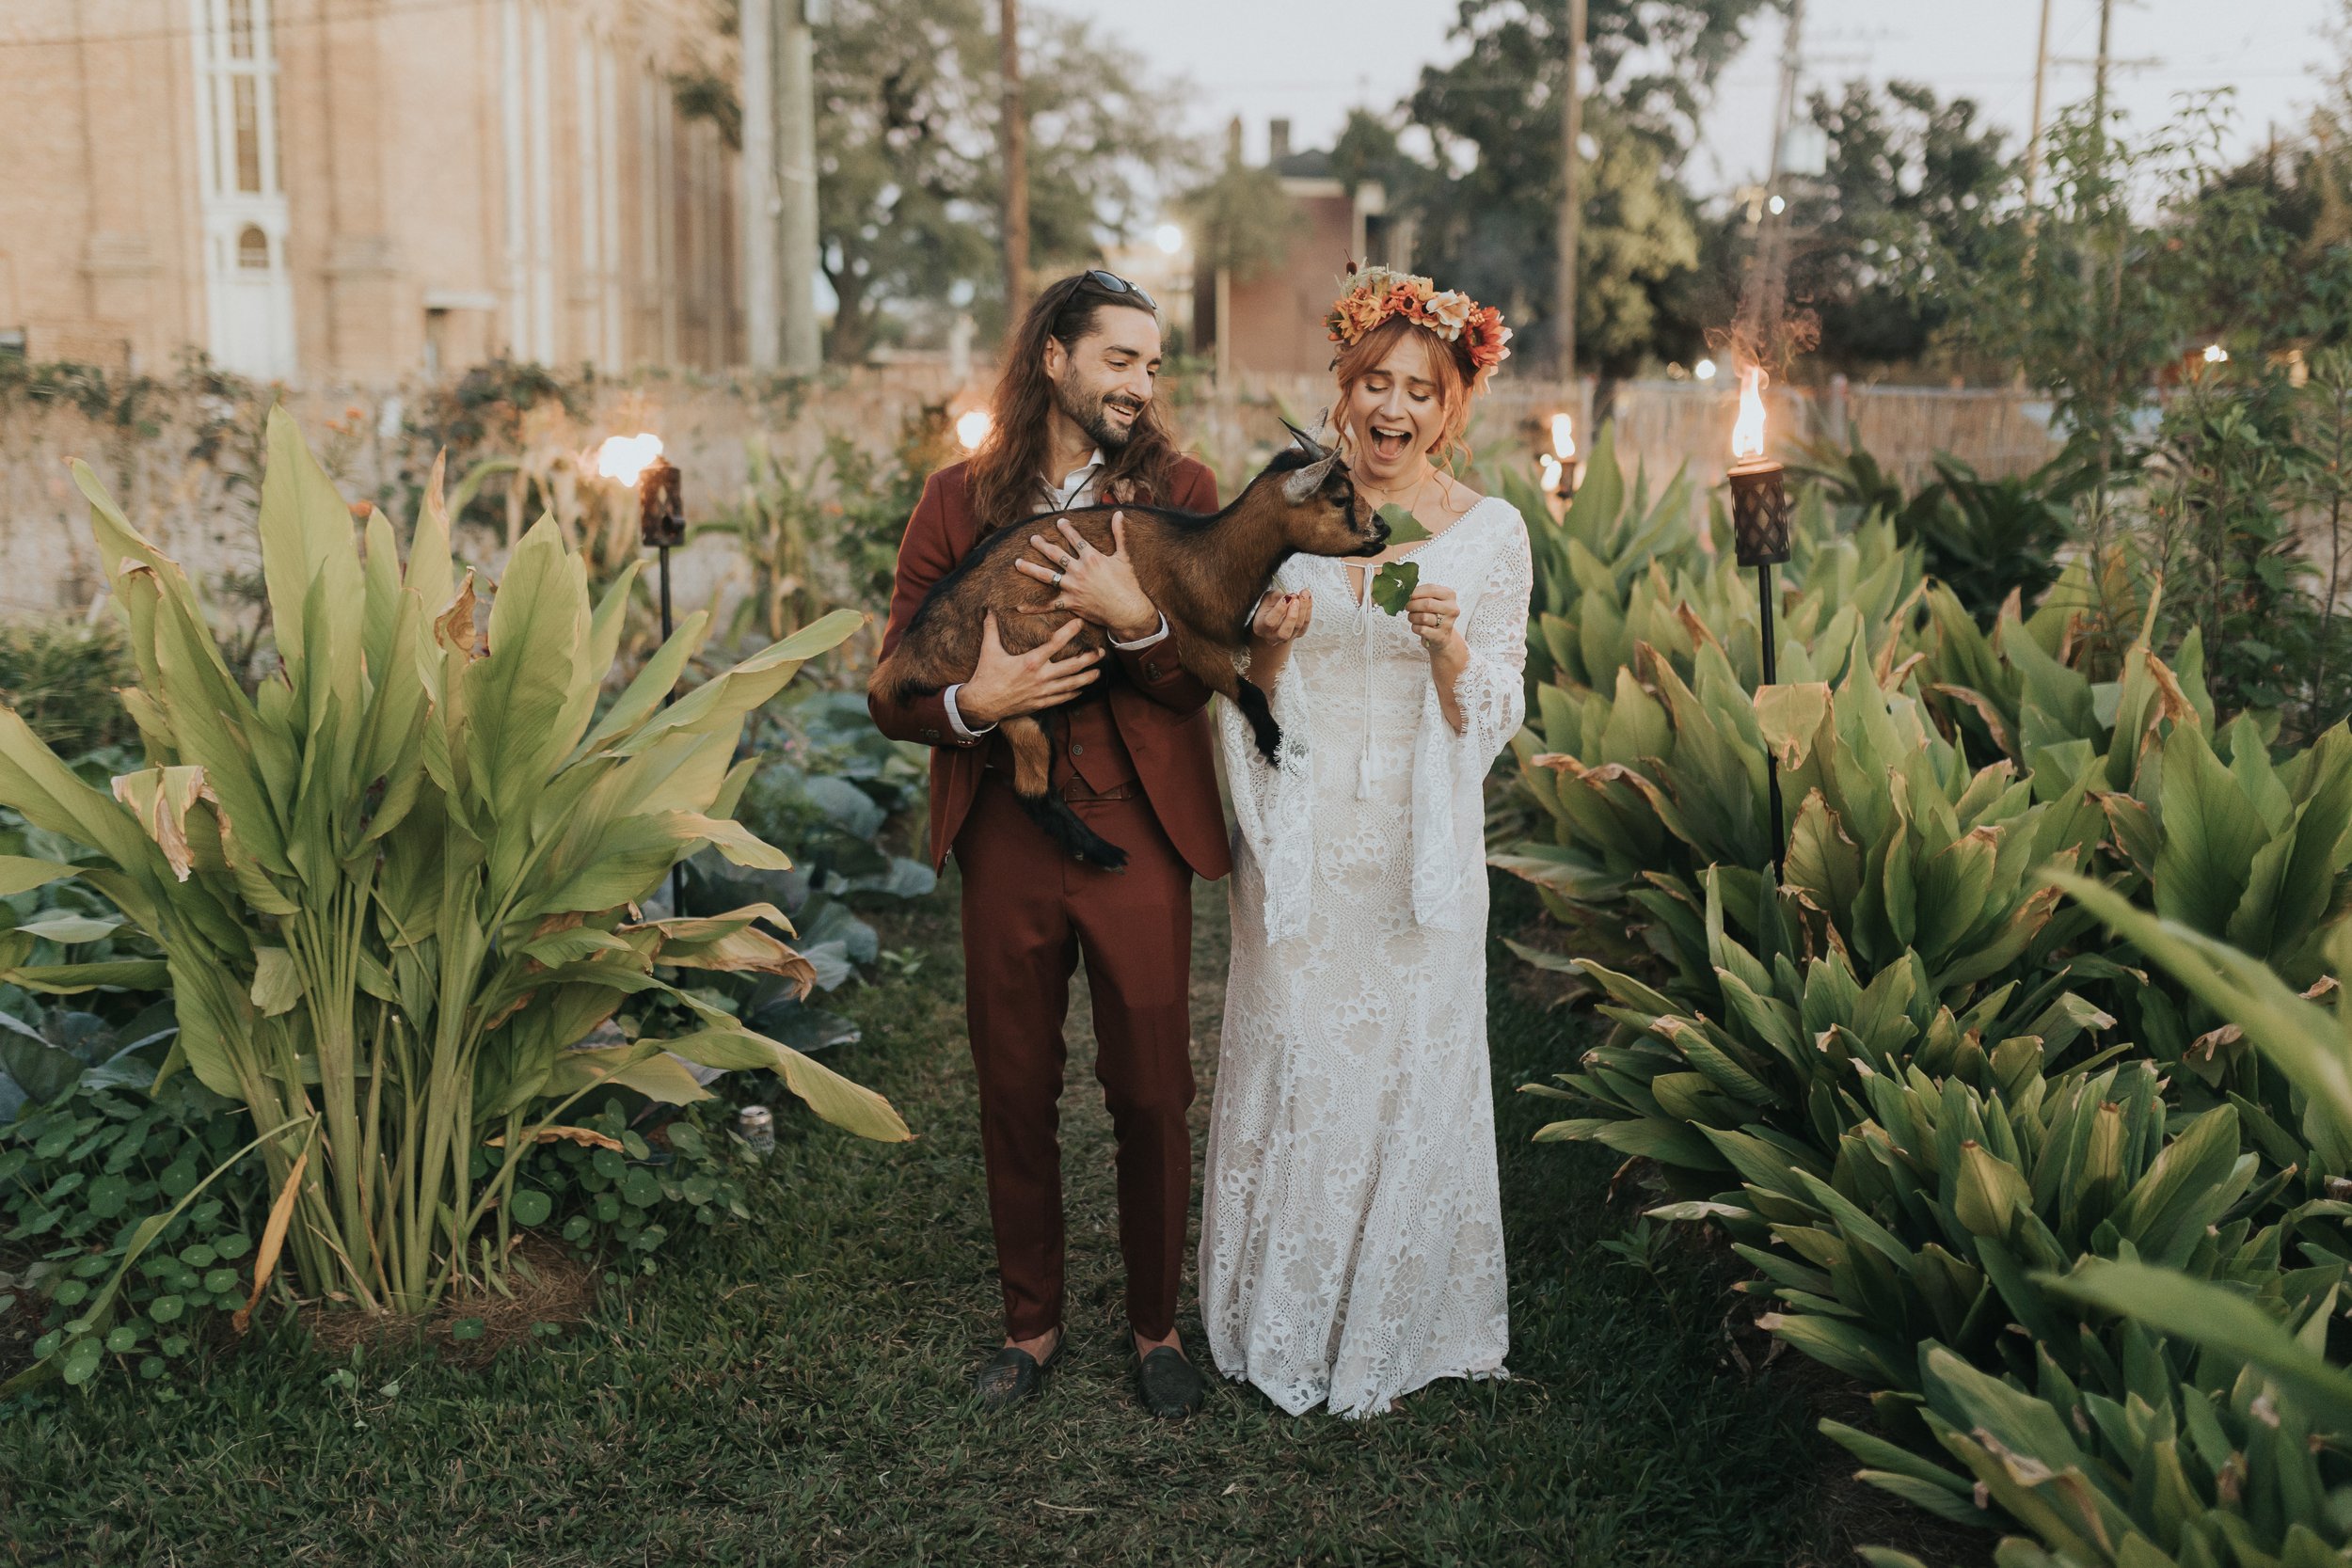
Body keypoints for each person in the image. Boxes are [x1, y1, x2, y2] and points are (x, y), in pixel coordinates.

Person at [868, 271, 1226, 1418]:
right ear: (1055, 359)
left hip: (1138, 826)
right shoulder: (954, 499)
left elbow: (1202, 681)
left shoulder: (1182, 489)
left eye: (1154, 364)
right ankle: (1031, 1324)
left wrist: (1147, 625)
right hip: (1006, 833)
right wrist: (979, 700)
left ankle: (1156, 1326)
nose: (1142, 382)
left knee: (1154, 1089)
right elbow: (890, 682)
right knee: (1015, 1087)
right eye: (1120, 358)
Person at [1199, 264, 1530, 1418]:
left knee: (1406, 1060)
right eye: (1373, 383)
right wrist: (1273, 651)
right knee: (1294, 1045)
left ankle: (1396, 1313)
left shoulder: (1490, 534)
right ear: (1341, 391)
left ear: (1450, 409)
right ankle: (1277, 1309)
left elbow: (1496, 711)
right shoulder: (1283, 512)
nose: (1392, 409)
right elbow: (1239, 689)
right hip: (1298, 839)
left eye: (1419, 390)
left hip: (1414, 845)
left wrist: (1450, 655)